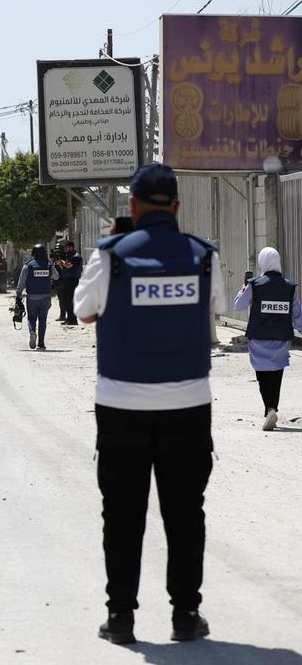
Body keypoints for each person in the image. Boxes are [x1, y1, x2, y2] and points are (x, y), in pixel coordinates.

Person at [74, 162, 222, 644]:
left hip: (121, 405)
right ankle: (185, 616)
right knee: (185, 512)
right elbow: (215, 307)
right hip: (189, 404)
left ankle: (121, 619)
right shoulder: (203, 256)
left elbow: (83, 311)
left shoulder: (111, 255)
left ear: (133, 207)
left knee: (122, 512)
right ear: (176, 207)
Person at [234, 247, 302, 430]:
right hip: (282, 338)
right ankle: (272, 408)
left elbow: (238, 306)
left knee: (263, 374)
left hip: (259, 338)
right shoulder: (289, 287)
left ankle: (270, 409)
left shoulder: (255, 284)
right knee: (276, 373)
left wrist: (243, 290)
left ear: (262, 262)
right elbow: (298, 316)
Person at [15, 244, 53, 350]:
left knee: (31, 318)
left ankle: (32, 332)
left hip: (32, 297)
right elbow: (56, 276)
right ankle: (41, 343)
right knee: (43, 320)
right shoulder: (49, 265)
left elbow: (21, 282)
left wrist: (18, 295)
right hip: (46, 297)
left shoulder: (28, 265)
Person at [54, 241, 83, 325]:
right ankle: (69, 319)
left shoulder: (76, 257)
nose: (65, 249)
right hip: (67, 280)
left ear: (71, 247)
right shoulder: (68, 256)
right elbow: (65, 269)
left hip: (73, 280)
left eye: (66, 247)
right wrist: (60, 263)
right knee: (66, 300)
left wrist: (61, 262)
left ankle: (73, 320)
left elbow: (69, 266)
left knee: (70, 300)